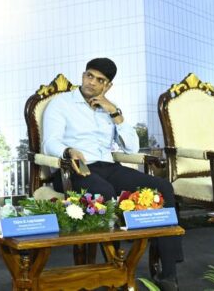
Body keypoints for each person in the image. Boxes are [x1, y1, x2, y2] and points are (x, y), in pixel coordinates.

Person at [42, 57, 182, 290]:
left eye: (100, 80)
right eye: (89, 75)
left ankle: (169, 274)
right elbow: (49, 142)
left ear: (108, 86)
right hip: (74, 168)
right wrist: (68, 151)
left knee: (163, 187)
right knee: (104, 192)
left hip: (108, 167)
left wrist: (115, 113)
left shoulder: (109, 109)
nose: (92, 82)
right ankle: (114, 271)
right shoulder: (61, 103)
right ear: (83, 75)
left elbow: (132, 148)